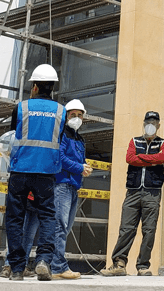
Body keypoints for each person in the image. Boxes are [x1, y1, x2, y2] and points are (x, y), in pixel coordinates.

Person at [4, 63, 66, 281]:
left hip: (20, 170)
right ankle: (43, 260)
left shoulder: (20, 108)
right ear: (52, 88)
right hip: (47, 173)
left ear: (35, 87)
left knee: (15, 218)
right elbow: (59, 140)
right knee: (48, 216)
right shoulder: (61, 111)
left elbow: (13, 136)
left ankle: (17, 268)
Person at [100, 111, 164, 277]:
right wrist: (151, 159)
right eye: (148, 121)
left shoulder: (163, 143)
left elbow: (162, 158)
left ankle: (143, 266)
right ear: (144, 123)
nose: (151, 124)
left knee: (149, 230)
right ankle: (119, 263)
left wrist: (142, 157)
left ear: (158, 125)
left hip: (152, 193)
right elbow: (130, 158)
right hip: (133, 192)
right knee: (126, 228)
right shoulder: (134, 141)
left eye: (154, 121)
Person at [50, 99, 93, 280]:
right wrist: (80, 168)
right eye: (72, 115)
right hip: (61, 184)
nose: (76, 118)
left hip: (73, 186)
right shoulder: (62, 135)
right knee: (59, 226)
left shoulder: (78, 138)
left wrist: (84, 167)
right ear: (66, 116)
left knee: (65, 228)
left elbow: (76, 161)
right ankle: (58, 267)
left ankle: (51, 263)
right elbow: (60, 158)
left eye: (79, 115)